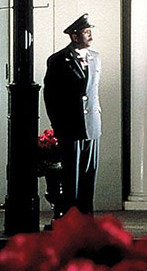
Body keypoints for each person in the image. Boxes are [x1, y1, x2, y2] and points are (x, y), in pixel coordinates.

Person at [43, 13, 100, 218]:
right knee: (71, 175)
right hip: (70, 125)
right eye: (86, 32)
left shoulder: (96, 58)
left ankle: (87, 216)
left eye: (90, 31)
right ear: (74, 36)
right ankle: (70, 216)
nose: (90, 35)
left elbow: (93, 91)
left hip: (92, 124)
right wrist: (58, 124)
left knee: (89, 173)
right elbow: (50, 95)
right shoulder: (59, 60)